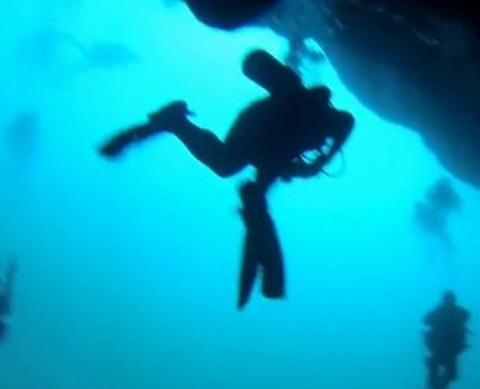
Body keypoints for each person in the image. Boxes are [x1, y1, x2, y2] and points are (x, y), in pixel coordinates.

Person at [97, 49, 355, 308]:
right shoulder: (320, 120)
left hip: (266, 137)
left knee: (236, 175)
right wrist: (320, 162)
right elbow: (345, 122)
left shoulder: (311, 125)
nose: (320, 145)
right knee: (227, 167)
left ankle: (176, 122)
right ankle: (176, 122)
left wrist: (315, 163)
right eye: (320, 143)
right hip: (258, 128)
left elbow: (331, 130)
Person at [421, 290, 470, 389]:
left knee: (443, 372)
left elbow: (426, 320)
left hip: (443, 349)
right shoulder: (454, 312)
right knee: (446, 372)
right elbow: (426, 320)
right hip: (447, 349)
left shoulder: (441, 311)